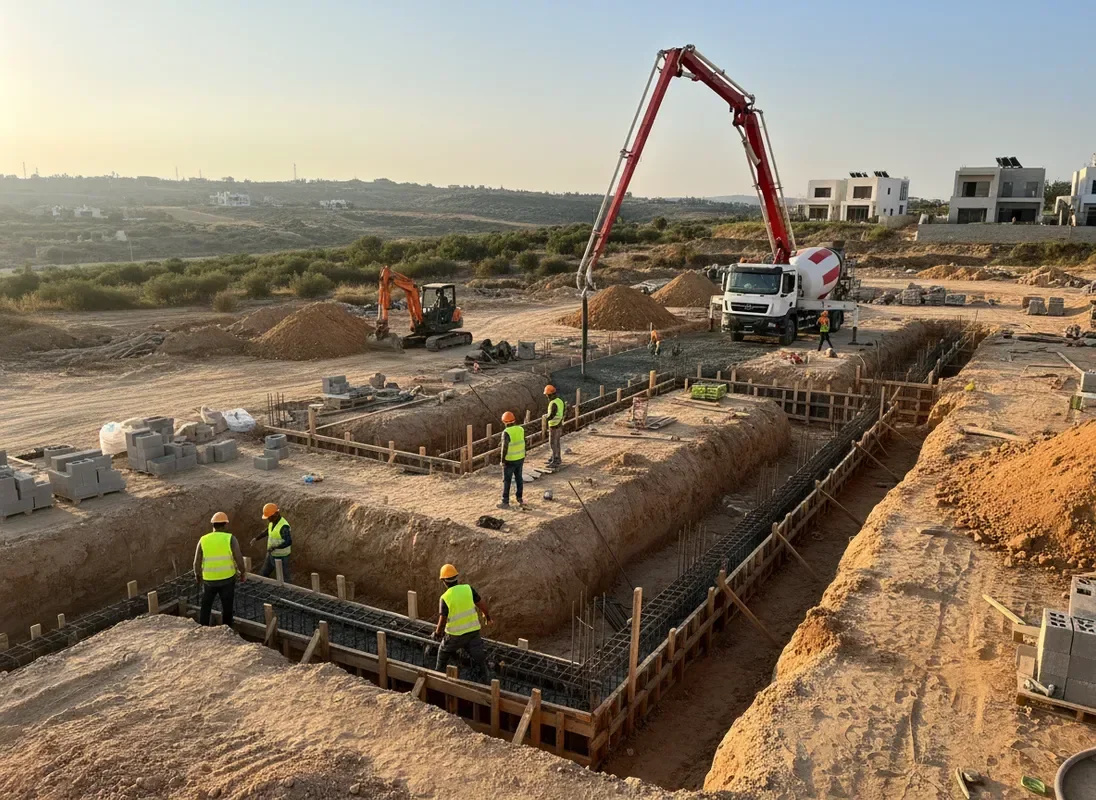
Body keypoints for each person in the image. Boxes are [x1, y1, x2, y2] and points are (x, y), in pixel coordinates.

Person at [433, 563, 492, 681]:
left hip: (455, 635)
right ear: (456, 578)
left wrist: (437, 633)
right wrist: (487, 616)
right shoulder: (468, 589)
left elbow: (442, 620)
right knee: (478, 655)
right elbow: (482, 604)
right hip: (473, 632)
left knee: (443, 650)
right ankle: (486, 676)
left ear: (444, 581)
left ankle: (437, 673)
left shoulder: (445, 597)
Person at [194, 511, 245, 627]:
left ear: (213, 525)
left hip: (209, 581)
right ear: (225, 525)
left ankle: (203, 628)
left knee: (206, 606)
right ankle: (227, 630)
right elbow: (239, 558)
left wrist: (197, 575)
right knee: (227, 607)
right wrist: (242, 572)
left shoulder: (203, 539)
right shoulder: (230, 538)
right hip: (227, 580)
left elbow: (196, 562)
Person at [252, 503, 292, 582]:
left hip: (282, 556)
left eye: (269, 517)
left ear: (276, 514)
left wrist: (274, 547)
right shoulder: (272, 522)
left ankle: (288, 591)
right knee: (263, 574)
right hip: (271, 554)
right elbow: (268, 531)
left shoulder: (284, 526)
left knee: (285, 579)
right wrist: (256, 538)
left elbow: (288, 541)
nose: (268, 519)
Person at [498, 410, 525, 509]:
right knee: (519, 478)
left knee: (507, 480)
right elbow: (520, 441)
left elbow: (504, 448)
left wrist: (502, 461)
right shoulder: (520, 429)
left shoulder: (506, 432)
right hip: (520, 458)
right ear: (514, 420)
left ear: (504, 422)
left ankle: (505, 501)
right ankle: (519, 498)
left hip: (510, 460)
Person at [544, 384, 565, 468]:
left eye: (547, 395)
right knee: (557, 443)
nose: (547, 397)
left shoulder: (553, 403)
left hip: (554, 425)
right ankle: (556, 457)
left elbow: (552, 415)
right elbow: (562, 412)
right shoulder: (560, 401)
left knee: (553, 443)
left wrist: (546, 419)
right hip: (559, 424)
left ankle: (555, 460)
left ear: (550, 395)